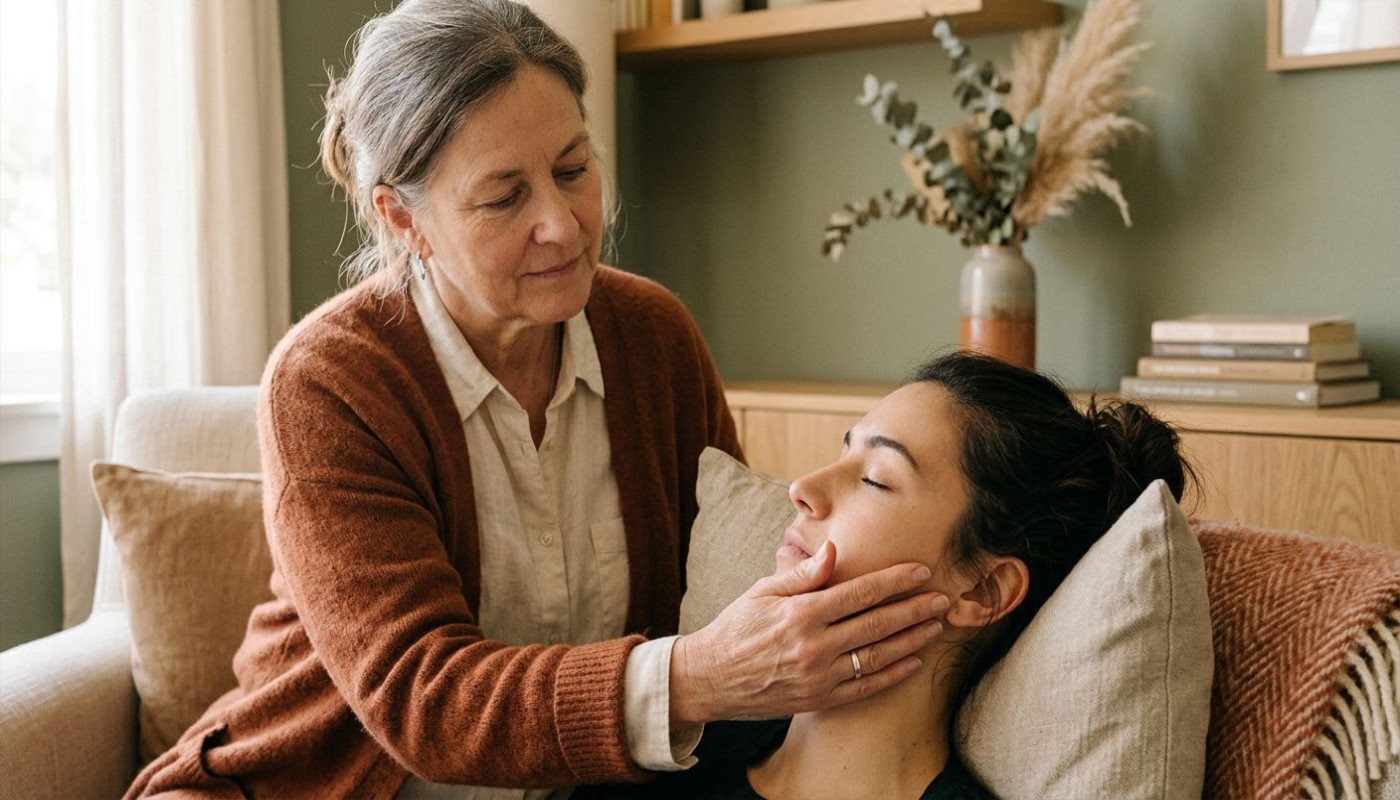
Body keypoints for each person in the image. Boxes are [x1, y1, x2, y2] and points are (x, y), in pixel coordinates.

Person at [124, 2, 949, 798]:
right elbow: (424, 699)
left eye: (573, 170)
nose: (562, 223)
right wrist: (699, 676)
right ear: (401, 219)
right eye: (504, 196)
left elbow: (728, 581)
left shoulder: (654, 338)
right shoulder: (331, 381)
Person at [579, 351, 1196, 799]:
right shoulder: (658, 762)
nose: (803, 489)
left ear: (982, 590)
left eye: (875, 478)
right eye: (845, 450)